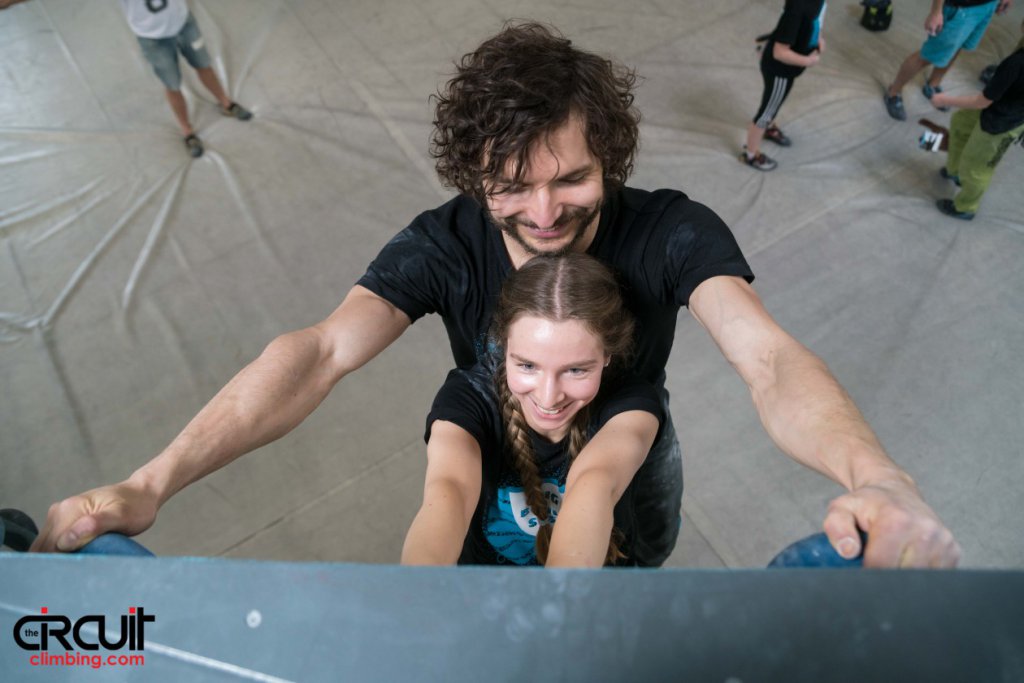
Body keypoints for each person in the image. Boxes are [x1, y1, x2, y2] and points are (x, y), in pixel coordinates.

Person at [32, 22, 959, 569]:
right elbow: (316, 354)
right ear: (471, 176)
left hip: (628, 450)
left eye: (571, 180)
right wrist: (151, 482)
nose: (543, 211)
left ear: (615, 160)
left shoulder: (674, 229)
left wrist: (874, 476)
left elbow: (766, 357)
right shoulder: (443, 246)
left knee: (634, 564)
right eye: (510, 186)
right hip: (489, 450)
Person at [403, 254, 662, 567]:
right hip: (488, 590)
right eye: (527, 365)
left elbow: (595, 484)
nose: (549, 396)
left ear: (607, 355)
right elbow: (450, 488)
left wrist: (557, 607)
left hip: (595, 591)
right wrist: (418, 590)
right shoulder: (467, 398)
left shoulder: (632, 404)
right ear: (504, 345)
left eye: (576, 370)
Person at [120, 0, 252, 157]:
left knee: (204, 65)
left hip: (183, 22)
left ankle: (226, 103)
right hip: (152, 37)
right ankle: (187, 131)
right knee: (172, 84)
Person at [931, 18, 1024, 219]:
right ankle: (954, 171)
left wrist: (944, 99)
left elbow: (982, 101)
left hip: (1001, 124)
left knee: (977, 169)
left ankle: (965, 207)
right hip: (1000, 105)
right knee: (961, 124)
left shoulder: (1016, 64)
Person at [883, 0, 1012, 121]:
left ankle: (933, 84)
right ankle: (893, 92)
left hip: (987, 5)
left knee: (957, 46)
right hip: (961, 8)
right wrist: (936, 11)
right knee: (928, 55)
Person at [741, 0, 828, 171]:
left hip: (789, 69)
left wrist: (817, 39)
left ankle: (768, 126)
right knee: (766, 112)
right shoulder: (798, 7)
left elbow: (813, 22)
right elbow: (779, 52)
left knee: (774, 105)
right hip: (780, 71)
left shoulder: (818, 3)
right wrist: (809, 60)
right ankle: (751, 155)